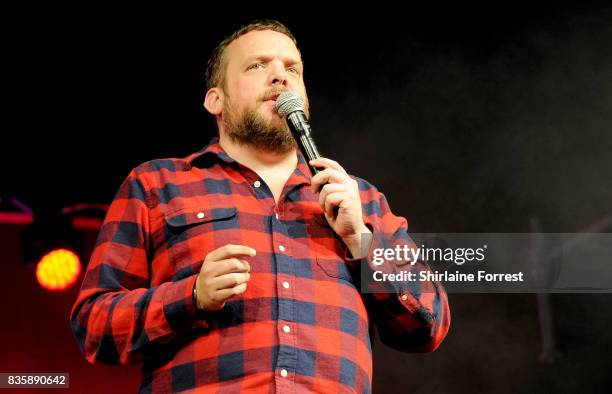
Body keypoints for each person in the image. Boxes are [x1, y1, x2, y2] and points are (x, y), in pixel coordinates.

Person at [70, 19, 450, 393]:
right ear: (215, 100)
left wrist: (362, 242)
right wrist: (191, 298)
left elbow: (427, 326)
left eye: (291, 69)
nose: (279, 76)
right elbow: (94, 326)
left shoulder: (360, 199)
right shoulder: (158, 185)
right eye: (257, 65)